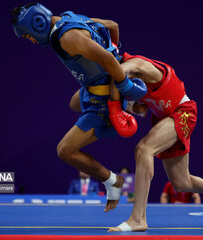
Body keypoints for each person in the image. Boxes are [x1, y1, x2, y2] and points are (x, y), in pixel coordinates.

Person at [11, 3, 147, 212]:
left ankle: (113, 181)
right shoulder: (70, 17)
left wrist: (122, 84)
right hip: (94, 86)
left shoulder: (67, 39)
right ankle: (124, 99)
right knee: (74, 102)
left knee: (64, 151)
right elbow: (113, 25)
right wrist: (115, 60)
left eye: (27, 36)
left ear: (36, 23)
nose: (30, 40)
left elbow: (106, 58)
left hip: (102, 100)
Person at [106, 52, 203, 232]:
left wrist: (108, 93)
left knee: (143, 149)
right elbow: (141, 109)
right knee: (182, 183)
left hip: (183, 112)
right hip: (164, 119)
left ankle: (138, 218)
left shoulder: (137, 64)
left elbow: (120, 71)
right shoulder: (128, 81)